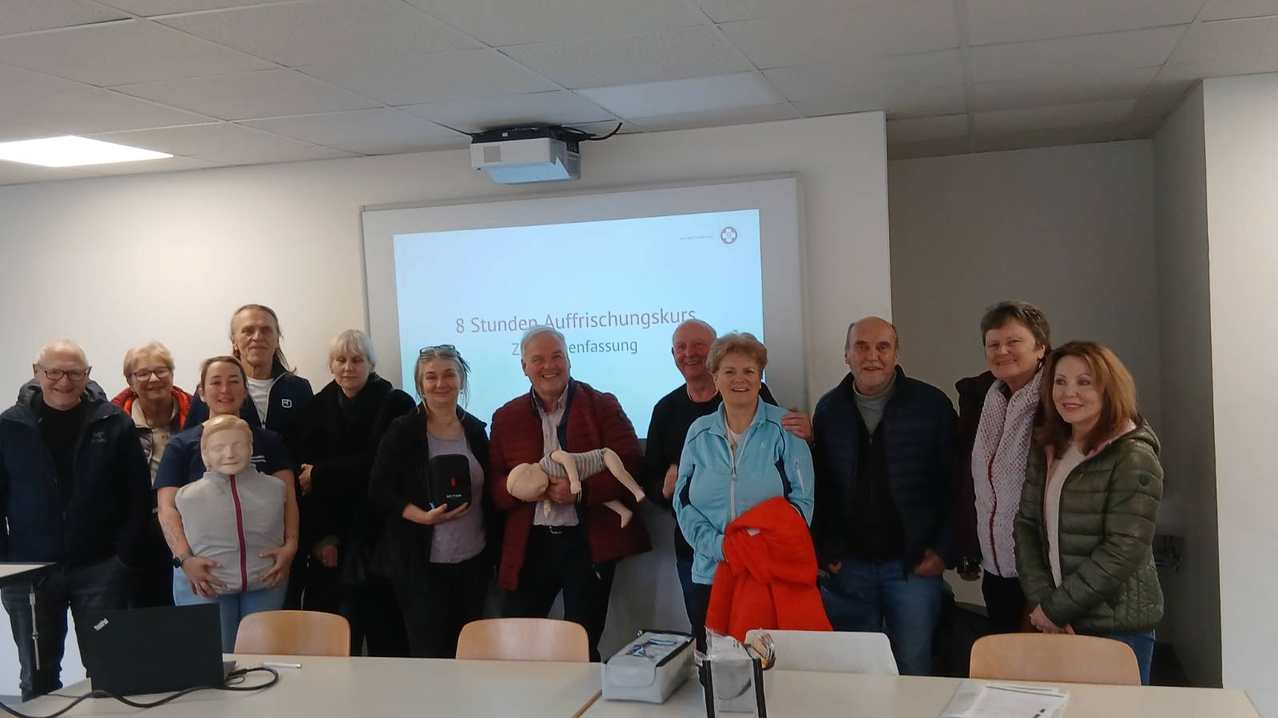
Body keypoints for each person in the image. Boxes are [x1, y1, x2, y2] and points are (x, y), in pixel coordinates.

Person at [488, 326, 650, 662]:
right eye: (538, 359)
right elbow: (494, 486)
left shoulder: (602, 405)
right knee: (515, 644)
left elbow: (632, 465)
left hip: (587, 542)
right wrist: (520, 490)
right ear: (524, 367)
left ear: (569, 360)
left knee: (581, 646)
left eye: (556, 356)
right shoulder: (505, 416)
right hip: (530, 546)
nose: (549, 366)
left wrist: (581, 492)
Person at [0, 340, 149, 700]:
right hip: (28, 571)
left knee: (108, 674)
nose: (64, 381)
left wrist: (122, 558)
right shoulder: (9, 426)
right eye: (54, 372)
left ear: (88, 375)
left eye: (74, 373)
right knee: (37, 677)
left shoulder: (114, 423)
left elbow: (137, 496)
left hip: (100, 569)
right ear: (37, 373)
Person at [642, 319, 811, 629]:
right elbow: (682, 500)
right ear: (716, 378)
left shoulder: (784, 427)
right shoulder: (697, 431)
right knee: (714, 660)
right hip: (708, 569)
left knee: (771, 662)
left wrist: (755, 547)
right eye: (729, 372)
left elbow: (802, 502)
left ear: (760, 379)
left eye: (749, 371)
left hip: (768, 569)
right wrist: (720, 547)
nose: (739, 380)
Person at [811, 317, 956, 676]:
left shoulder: (932, 405)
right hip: (850, 569)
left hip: (914, 568)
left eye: (882, 347)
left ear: (897, 354)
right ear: (846, 355)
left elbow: (957, 485)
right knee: (858, 673)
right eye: (861, 346)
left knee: (912, 668)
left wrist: (944, 552)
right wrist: (826, 551)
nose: (871, 356)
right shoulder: (829, 410)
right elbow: (821, 488)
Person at [1014, 341, 1163, 685]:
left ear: (1109, 388)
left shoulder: (1133, 456)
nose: (1069, 393)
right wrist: (1042, 605)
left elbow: (1122, 549)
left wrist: (1054, 609)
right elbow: (1026, 526)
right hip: (1055, 619)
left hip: (1116, 627)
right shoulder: (1047, 447)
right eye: (1060, 381)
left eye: (1085, 382)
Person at [156, 356, 299, 646]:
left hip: (266, 575)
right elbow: (167, 509)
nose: (225, 389)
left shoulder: (269, 441)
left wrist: (291, 547)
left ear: (245, 390)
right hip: (205, 576)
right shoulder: (182, 446)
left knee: (263, 657)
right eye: (216, 382)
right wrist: (185, 559)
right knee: (210, 660)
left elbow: (289, 500)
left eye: (234, 382)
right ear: (201, 391)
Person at [184, 304, 312, 607]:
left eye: (266, 330)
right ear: (234, 340)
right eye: (248, 330)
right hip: (223, 531)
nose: (257, 337)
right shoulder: (214, 390)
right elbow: (193, 452)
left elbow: (309, 448)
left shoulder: (298, 388)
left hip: (283, 520)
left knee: (280, 614)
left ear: (278, 338)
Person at [369, 345, 491, 659]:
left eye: (449, 374)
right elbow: (379, 490)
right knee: (430, 658)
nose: (441, 383)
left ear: (461, 380)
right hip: (419, 567)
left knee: (469, 654)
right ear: (420, 384)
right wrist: (421, 517)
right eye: (431, 377)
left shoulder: (476, 431)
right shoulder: (402, 431)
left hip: (473, 563)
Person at [300, 330, 415, 657]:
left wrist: (322, 473)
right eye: (341, 360)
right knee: (331, 647)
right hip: (331, 541)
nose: (348, 367)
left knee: (388, 642)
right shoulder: (314, 408)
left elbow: (383, 465)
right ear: (331, 365)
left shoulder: (397, 403)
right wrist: (322, 537)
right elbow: (302, 482)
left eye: (356, 359)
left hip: (383, 541)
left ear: (372, 364)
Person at [953, 302, 1052, 634]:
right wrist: (968, 545)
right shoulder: (983, 398)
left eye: (1014, 342)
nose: (1002, 351)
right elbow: (971, 482)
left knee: (1046, 673)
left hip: (1045, 570)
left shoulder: (1058, 401)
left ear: (1040, 347)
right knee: (1005, 669)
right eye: (993, 344)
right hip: (996, 566)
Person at [173, 415, 288, 651]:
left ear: (251, 448)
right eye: (219, 447)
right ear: (205, 454)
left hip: (265, 583)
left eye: (238, 445)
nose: (230, 454)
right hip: (208, 588)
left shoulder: (275, 489)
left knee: (263, 659)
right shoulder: (187, 497)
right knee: (211, 659)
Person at [111, 341, 193, 608]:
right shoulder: (112, 424)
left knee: (191, 619)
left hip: (191, 531)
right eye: (143, 373)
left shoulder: (197, 415)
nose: (154, 379)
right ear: (130, 381)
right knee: (146, 619)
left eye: (162, 370)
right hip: (137, 537)